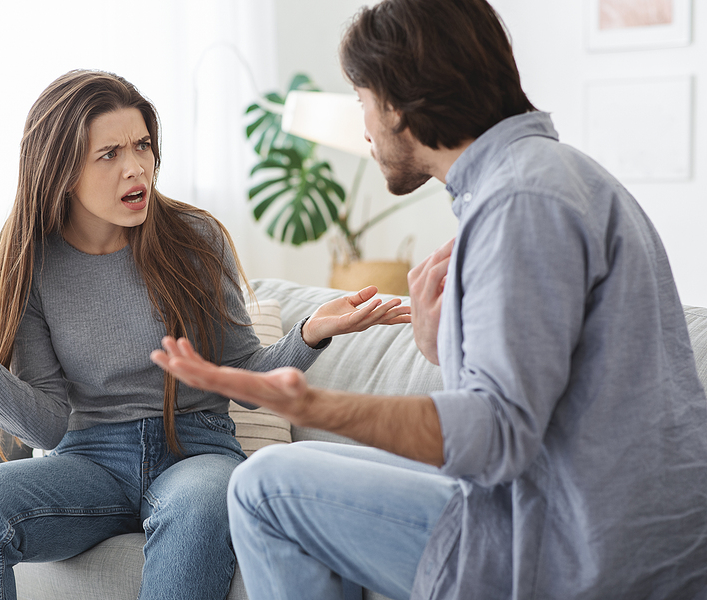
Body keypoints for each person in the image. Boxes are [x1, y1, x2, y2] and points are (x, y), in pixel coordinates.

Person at [150, 1, 707, 598]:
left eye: (361, 99)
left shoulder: (521, 203)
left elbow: (495, 435)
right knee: (272, 477)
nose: (362, 126)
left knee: (264, 487)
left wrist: (313, 406)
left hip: (578, 548)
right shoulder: (552, 175)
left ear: (398, 103)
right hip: (578, 511)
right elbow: (535, 393)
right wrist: (444, 347)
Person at [0, 69, 410, 600]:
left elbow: (245, 376)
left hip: (197, 450)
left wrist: (312, 332)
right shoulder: (31, 262)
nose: (136, 167)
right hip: (89, 460)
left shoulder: (195, 240)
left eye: (142, 146)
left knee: (202, 505)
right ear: (61, 170)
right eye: (109, 154)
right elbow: (46, 427)